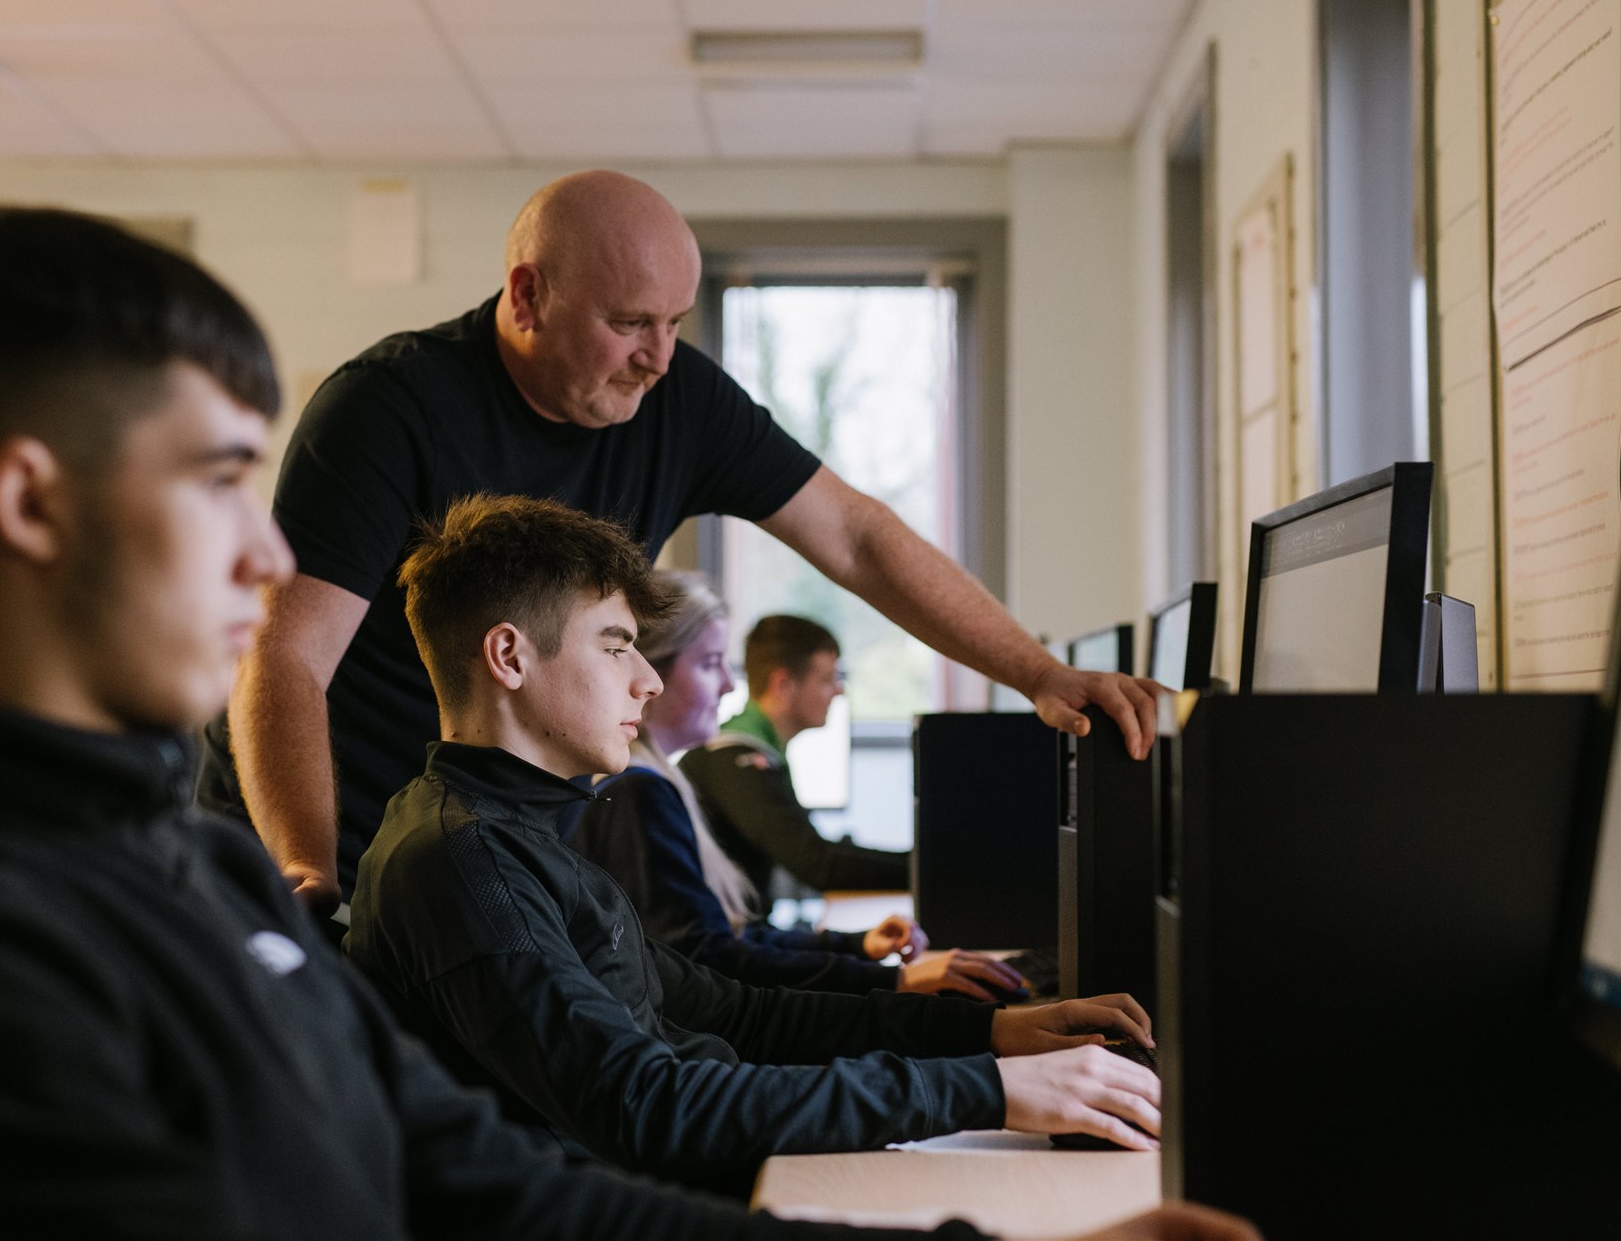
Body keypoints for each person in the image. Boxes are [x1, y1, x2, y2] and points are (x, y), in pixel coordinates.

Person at [0, 205, 1241, 1241]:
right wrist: (317, 874)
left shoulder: (192, 885)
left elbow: (490, 1178)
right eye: (220, 482)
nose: (266, 554)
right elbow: (287, 671)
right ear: (28, 504)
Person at [208, 168, 1164, 912]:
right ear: (527, 294)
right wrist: (304, 860)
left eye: (674, 322)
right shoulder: (389, 410)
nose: (658, 356)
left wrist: (1037, 672)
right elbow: (285, 656)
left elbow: (858, 537)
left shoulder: (678, 398)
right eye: (628, 323)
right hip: (323, 825)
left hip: (491, 834)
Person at [347, 494, 1167, 1199]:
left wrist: (990, 1035)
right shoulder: (465, 862)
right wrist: (987, 1090)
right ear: (509, 655)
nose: (650, 678)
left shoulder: (521, 833)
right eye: (614, 643)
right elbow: (644, 1104)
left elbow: (735, 1010)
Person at [570, 570, 1029, 1000]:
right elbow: (713, 963)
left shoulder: (659, 782)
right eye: (712, 663)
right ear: (649, 674)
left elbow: (728, 936)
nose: (731, 685)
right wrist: (892, 979)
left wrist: (855, 946)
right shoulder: (640, 791)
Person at [685, 614, 911, 902]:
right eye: (827, 679)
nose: (839, 691)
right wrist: (924, 869)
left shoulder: (750, 752)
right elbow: (816, 863)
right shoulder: (734, 758)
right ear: (783, 685)